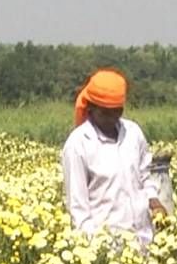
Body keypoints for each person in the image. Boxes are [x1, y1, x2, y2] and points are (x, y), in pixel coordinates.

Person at [61, 69, 166, 249]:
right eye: (106, 112)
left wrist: (154, 202)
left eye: (117, 111)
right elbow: (78, 208)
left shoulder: (133, 133)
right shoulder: (78, 144)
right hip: (107, 248)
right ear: (92, 108)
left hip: (144, 241)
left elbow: (144, 177)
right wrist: (94, 252)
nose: (112, 118)